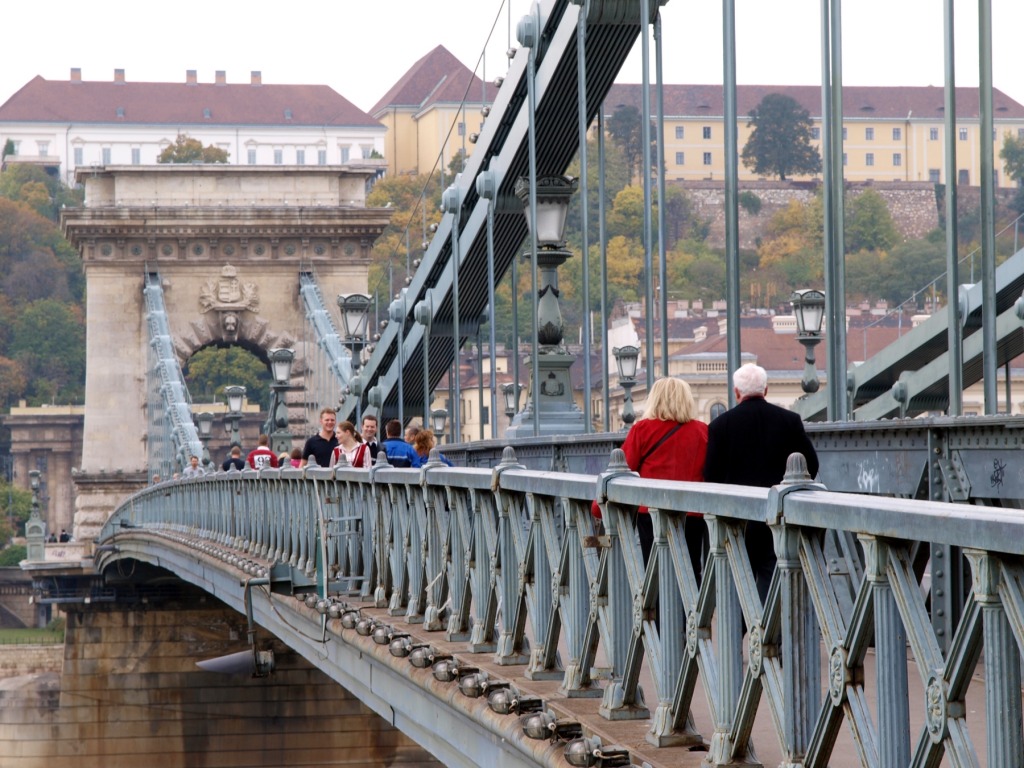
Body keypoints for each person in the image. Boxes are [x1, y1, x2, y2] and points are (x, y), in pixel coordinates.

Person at [704, 363, 819, 604]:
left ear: (736, 392)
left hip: (736, 519)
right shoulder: (790, 420)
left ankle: (741, 633)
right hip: (777, 515)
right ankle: (768, 632)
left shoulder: (719, 426)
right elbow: (812, 465)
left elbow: (711, 475)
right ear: (766, 390)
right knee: (772, 574)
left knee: (737, 580)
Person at [594, 377, 707, 575]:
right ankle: (688, 606)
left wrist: (598, 506)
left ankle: (659, 605)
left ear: (654, 400)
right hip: (692, 513)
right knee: (690, 572)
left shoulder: (642, 430)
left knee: (655, 571)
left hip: (652, 513)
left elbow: (621, 469)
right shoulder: (702, 431)